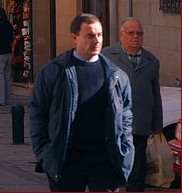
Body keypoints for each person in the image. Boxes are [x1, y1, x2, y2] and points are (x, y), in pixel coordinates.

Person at [29, 13, 134, 192]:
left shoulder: (116, 75)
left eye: (100, 35)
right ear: (74, 38)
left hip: (104, 160)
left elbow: (126, 115)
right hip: (67, 160)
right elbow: (38, 113)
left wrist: (126, 150)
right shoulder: (55, 72)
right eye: (90, 35)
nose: (96, 40)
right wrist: (44, 152)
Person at [101, 17, 162, 192]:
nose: (135, 37)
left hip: (139, 125)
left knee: (138, 169)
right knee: (111, 166)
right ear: (121, 35)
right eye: (131, 33)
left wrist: (157, 124)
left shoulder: (151, 61)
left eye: (139, 33)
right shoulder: (107, 56)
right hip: (113, 125)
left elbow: (155, 94)